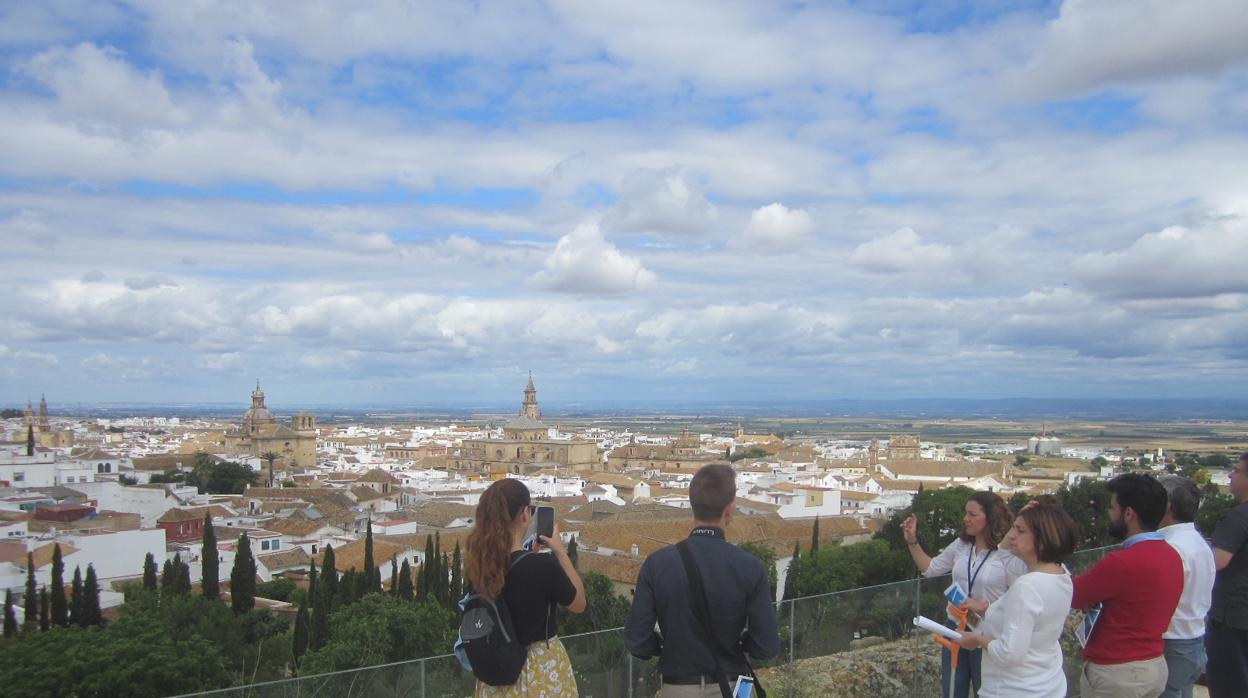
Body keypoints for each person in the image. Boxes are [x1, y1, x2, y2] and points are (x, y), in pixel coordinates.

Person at [625, 464, 779, 697]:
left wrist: (667, 647)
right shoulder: (750, 567)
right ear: (729, 510)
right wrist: (738, 644)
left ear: (692, 505)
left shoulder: (657, 564)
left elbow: (637, 641)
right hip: (733, 687)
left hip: (677, 686)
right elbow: (765, 646)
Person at [465, 478, 586, 697]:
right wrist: (560, 551)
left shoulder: (481, 567)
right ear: (524, 514)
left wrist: (532, 555)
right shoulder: (541, 566)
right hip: (540, 672)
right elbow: (578, 604)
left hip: (496, 677)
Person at [901, 490, 1028, 698]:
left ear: (990, 517)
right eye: (965, 513)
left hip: (987, 631)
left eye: (972, 514)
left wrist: (985, 606)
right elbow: (931, 569)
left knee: (984, 689)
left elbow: (1018, 594)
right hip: (955, 626)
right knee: (952, 689)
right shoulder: (961, 545)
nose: (965, 519)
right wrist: (912, 541)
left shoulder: (1006, 554)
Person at [1071, 473, 1182, 698]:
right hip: (1154, 663)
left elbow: (1072, 595)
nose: (1109, 513)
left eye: (1113, 507)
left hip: (1117, 671)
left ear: (1129, 513)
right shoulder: (1172, 555)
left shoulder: (1121, 562)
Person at [955, 503, 1080, 697]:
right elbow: (1004, 552)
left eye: (1020, 530)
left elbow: (1009, 653)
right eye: (1013, 527)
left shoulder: (1026, 586)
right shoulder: (1062, 575)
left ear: (1042, 540)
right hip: (1048, 684)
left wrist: (978, 639)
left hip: (1014, 689)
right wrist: (1024, 515)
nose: (1011, 535)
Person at [1157, 476, 1215, 698]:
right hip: (1195, 641)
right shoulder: (1200, 543)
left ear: (1168, 505)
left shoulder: (1170, 548)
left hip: (1172, 644)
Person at [1206, 453, 1248, 698]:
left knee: (1230, 686)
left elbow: (1216, 562)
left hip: (1233, 617)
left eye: (1237, 470)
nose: (1231, 475)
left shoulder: (1240, 518)